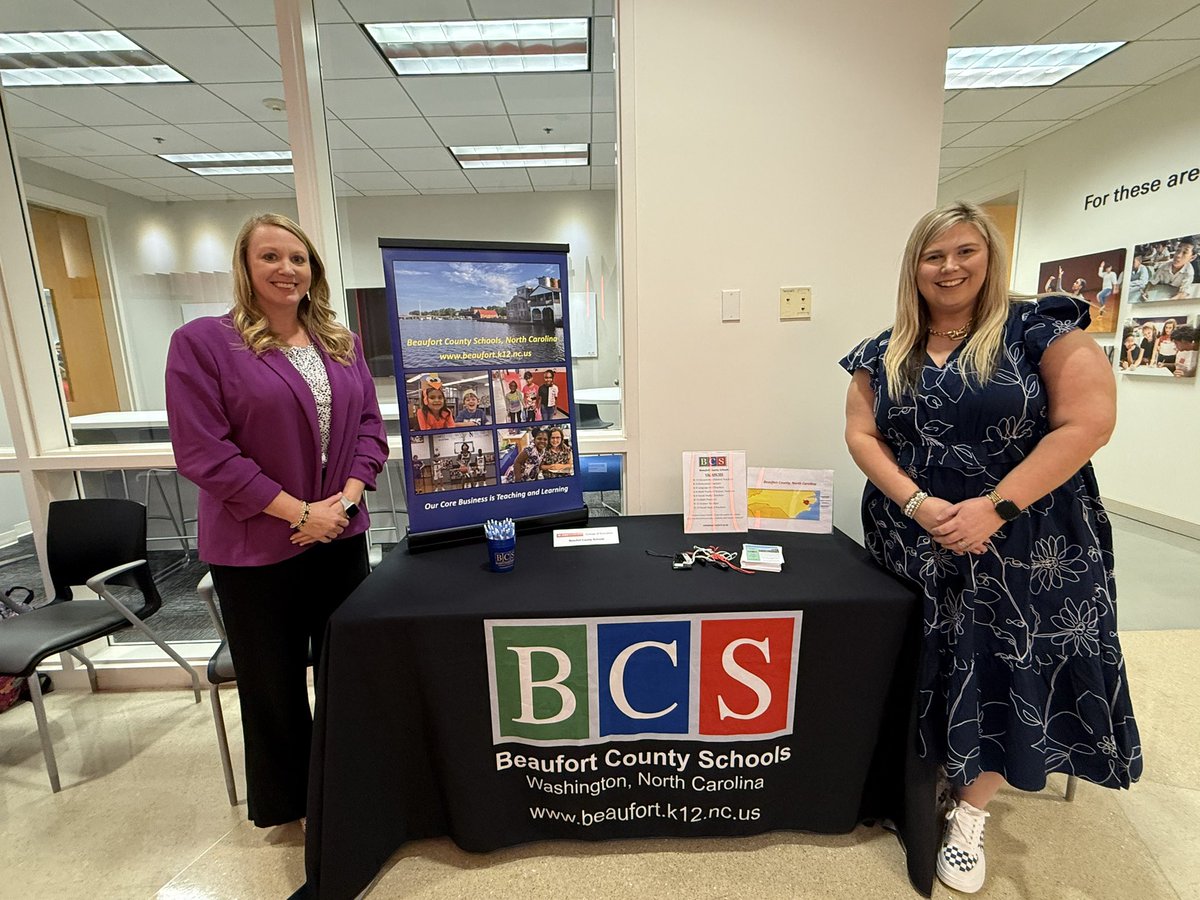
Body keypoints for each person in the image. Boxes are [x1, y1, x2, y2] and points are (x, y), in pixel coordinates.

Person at [839, 201, 1141, 895]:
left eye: (964, 252)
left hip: (1028, 541)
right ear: (913, 267)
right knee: (932, 662)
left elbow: (1088, 422)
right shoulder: (883, 349)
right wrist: (916, 502)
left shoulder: (1041, 331)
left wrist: (996, 507)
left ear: (990, 257)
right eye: (933, 255)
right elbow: (863, 435)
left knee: (1012, 668)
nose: (948, 267)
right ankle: (928, 783)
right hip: (914, 537)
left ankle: (972, 812)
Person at [165, 212, 388, 829]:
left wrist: (339, 505)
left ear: (313, 268)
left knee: (347, 673)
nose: (286, 269)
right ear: (245, 266)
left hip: (338, 536)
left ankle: (349, 788)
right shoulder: (204, 342)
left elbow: (370, 429)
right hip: (255, 547)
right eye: (270, 257)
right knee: (274, 686)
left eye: (298, 258)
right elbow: (204, 451)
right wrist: (299, 513)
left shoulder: (339, 343)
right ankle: (291, 806)